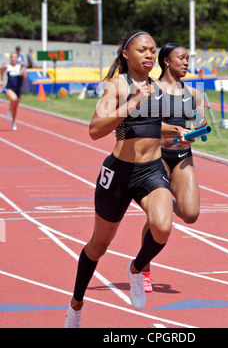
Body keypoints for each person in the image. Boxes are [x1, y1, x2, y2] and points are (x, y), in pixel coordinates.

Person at [64, 30, 191, 328]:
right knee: (98, 246)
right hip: (118, 173)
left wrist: (176, 132)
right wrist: (131, 103)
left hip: (150, 170)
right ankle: (76, 306)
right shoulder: (116, 86)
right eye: (142, 50)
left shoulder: (158, 86)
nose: (148, 55)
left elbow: (150, 126)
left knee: (162, 227)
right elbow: (95, 130)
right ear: (126, 54)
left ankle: (135, 269)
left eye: (152, 50)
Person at [140, 42, 207, 292]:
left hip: (182, 156)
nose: (187, 63)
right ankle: (143, 269)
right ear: (166, 61)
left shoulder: (194, 94)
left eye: (188, 58)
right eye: (181, 58)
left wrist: (198, 129)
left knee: (190, 214)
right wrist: (175, 130)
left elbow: (195, 124)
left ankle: (168, 203)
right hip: (155, 157)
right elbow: (146, 126)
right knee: (157, 219)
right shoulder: (151, 90)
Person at [0, 52, 27, 131]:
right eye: (12, 57)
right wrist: (1, 80)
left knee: (15, 108)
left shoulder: (19, 67)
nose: (14, 59)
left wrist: (23, 67)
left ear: (17, 58)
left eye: (15, 57)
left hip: (17, 89)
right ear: (10, 58)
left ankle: (13, 122)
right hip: (9, 88)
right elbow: (1, 71)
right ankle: (9, 111)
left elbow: (25, 76)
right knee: (13, 98)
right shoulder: (7, 66)